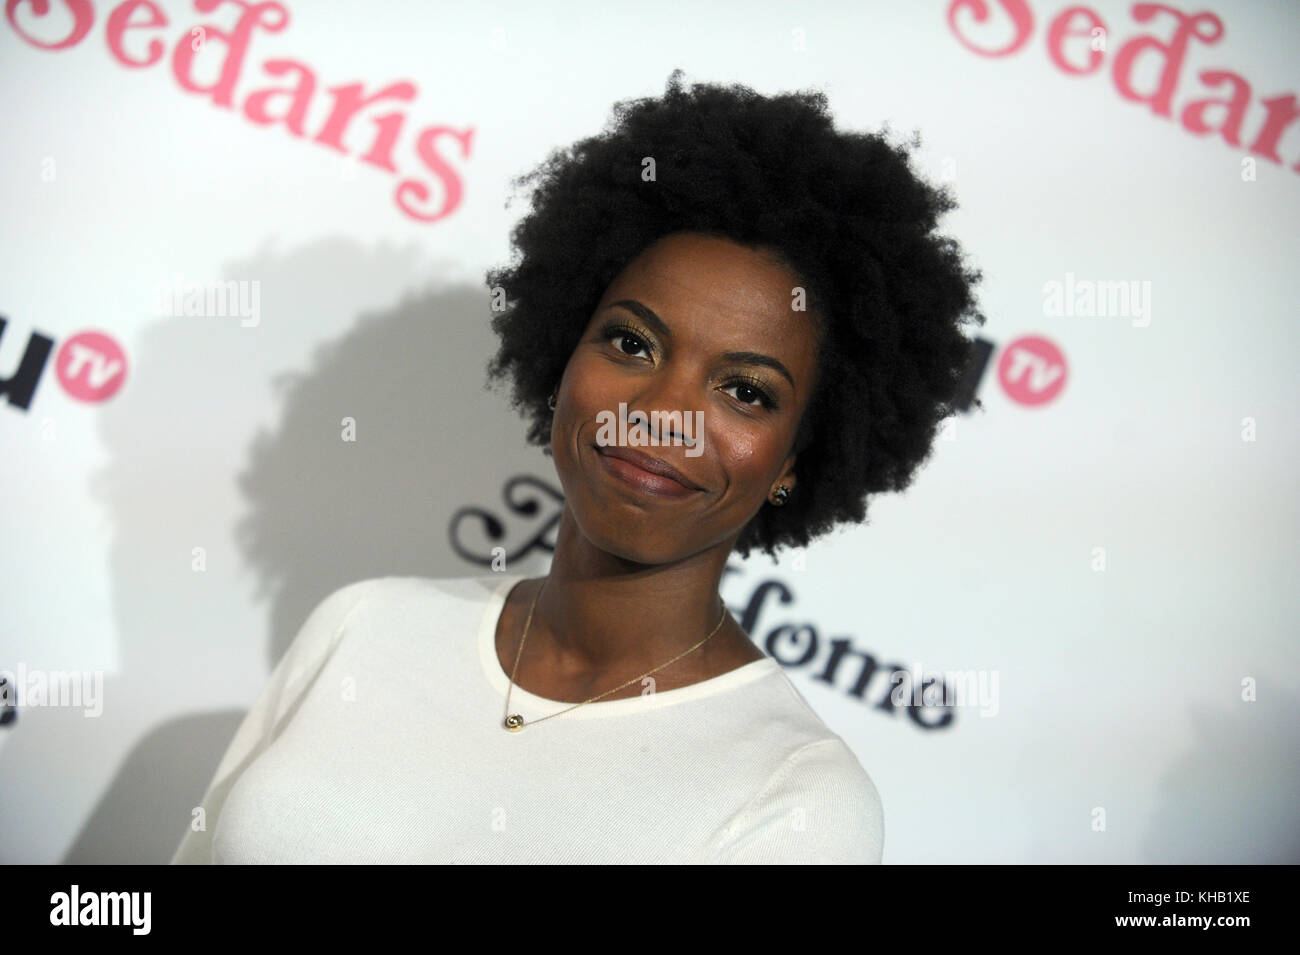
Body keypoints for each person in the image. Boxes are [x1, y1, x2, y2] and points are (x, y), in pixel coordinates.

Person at [169, 69, 984, 864]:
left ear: (796, 461)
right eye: (633, 343)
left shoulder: (796, 801)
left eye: (744, 391)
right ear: (565, 349)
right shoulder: (363, 624)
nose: (662, 410)